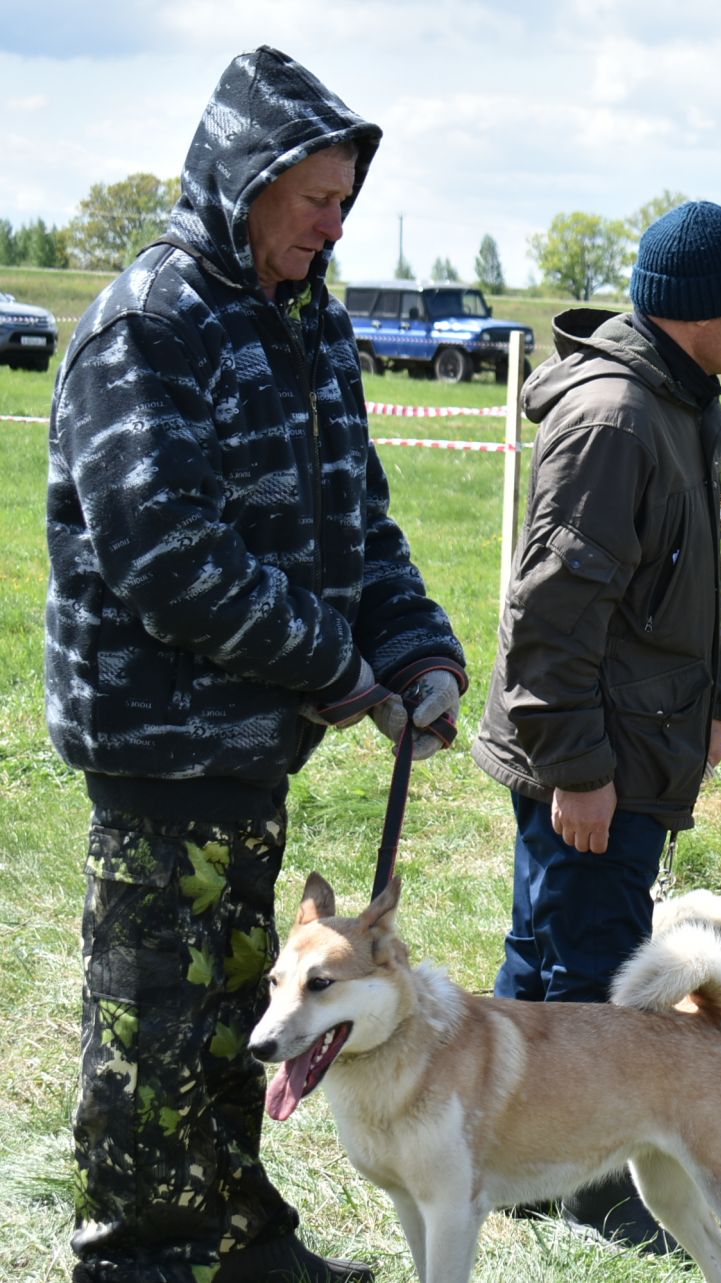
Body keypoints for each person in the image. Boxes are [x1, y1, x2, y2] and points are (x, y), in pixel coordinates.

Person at [46, 47, 467, 1283]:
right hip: (160, 745)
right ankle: (137, 1256)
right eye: (314, 202)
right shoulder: (149, 323)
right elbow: (168, 554)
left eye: (345, 202)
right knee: (155, 1034)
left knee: (245, 1014)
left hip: (252, 747)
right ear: (243, 185)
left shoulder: (308, 320)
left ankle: (229, 1237)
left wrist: (411, 643)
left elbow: (359, 520)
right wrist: (339, 667)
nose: (332, 226)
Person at [471, 199, 721, 1245]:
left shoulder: (683, 403)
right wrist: (579, 768)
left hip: (639, 736)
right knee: (594, 968)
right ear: (700, 312)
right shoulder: (615, 417)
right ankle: (598, 1189)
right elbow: (551, 614)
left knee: (550, 948)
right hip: (594, 754)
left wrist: (715, 698)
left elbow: (687, 579)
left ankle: (506, 1162)